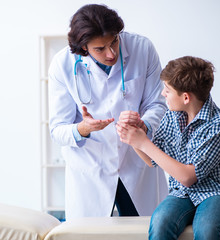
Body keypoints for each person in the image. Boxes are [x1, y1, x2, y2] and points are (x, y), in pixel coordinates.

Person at [48, 4, 168, 220]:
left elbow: (158, 105)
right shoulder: (62, 64)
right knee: (91, 234)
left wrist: (144, 125)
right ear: (83, 48)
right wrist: (82, 129)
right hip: (91, 166)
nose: (111, 53)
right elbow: (57, 130)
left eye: (114, 41)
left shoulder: (142, 49)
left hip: (137, 162)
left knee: (146, 231)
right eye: (100, 49)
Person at [116, 56, 220, 239]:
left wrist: (143, 142)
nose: (162, 94)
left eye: (167, 90)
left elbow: (187, 177)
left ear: (185, 97)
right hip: (182, 194)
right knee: (159, 222)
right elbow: (152, 159)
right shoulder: (172, 116)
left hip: (217, 192)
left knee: (207, 229)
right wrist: (134, 137)